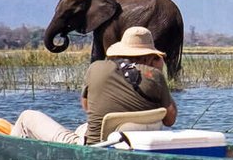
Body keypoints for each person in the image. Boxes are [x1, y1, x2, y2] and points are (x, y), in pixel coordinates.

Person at [12, 25, 178, 144]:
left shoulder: (97, 67)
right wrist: (157, 72)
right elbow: (170, 119)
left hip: (95, 145)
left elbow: (88, 107)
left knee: (27, 116)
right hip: (131, 143)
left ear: (121, 51)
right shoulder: (154, 75)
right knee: (82, 127)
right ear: (150, 55)